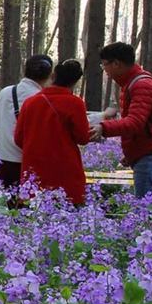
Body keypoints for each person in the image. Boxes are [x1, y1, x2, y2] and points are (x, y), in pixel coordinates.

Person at [90, 42, 152, 210]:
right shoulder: (131, 84)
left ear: (116, 63)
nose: (105, 70)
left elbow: (136, 122)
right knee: (151, 213)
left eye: (105, 65)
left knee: (150, 216)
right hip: (149, 156)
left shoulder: (141, 85)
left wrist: (104, 127)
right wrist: (132, 153)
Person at [13, 59, 90, 206]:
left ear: (53, 76)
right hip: (65, 171)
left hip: (33, 169)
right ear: (75, 82)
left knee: (33, 213)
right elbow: (83, 137)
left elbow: (18, 138)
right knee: (68, 212)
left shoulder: (30, 102)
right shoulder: (75, 103)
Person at [0, 55, 54, 194]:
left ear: (25, 71)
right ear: (49, 75)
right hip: (32, 164)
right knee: (32, 209)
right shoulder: (45, 99)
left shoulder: (5, 92)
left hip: (5, 163)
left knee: (11, 208)